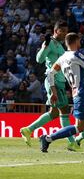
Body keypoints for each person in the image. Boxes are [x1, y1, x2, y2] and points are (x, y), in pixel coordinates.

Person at [19, 21, 78, 150]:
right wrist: (45, 46)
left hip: (60, 82)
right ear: (56, 31)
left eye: (66, 31)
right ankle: (72, 142)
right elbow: (39, 59)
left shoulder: (60, 46)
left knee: (55, 113)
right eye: (63, 31)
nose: (65, 34)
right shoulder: (50, 43)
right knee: (63, 111)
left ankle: (28, 129)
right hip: (53, 82)